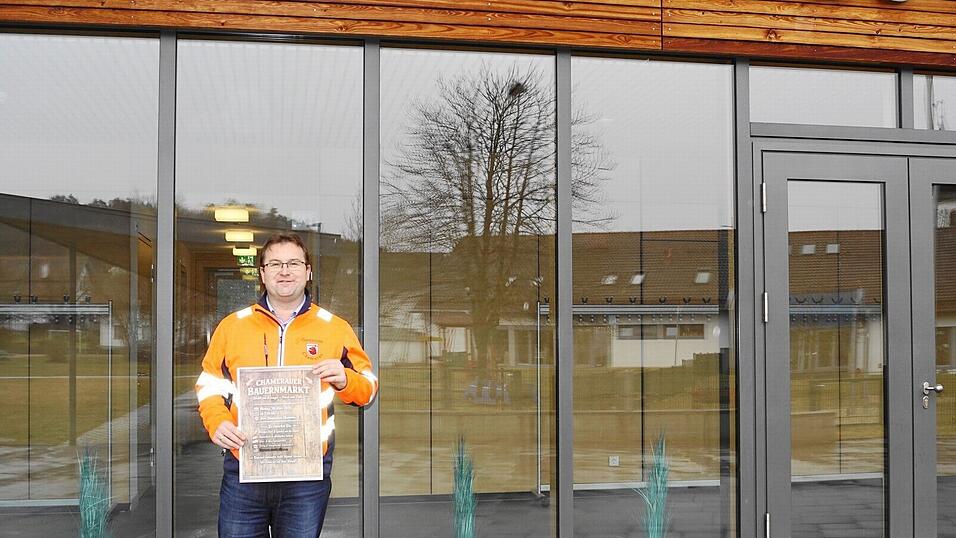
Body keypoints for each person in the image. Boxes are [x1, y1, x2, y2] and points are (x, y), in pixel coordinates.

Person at [194, 233, 378, 537]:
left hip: (307, 475)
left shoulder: (335, 328)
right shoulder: (232, 326)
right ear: (262, 274)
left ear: (307, 272)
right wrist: (217, 421)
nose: (284, 270)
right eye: (275, 263)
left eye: (293, 263)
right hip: (245, 468)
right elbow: (210, 383)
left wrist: (346, 379)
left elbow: (368, 387)